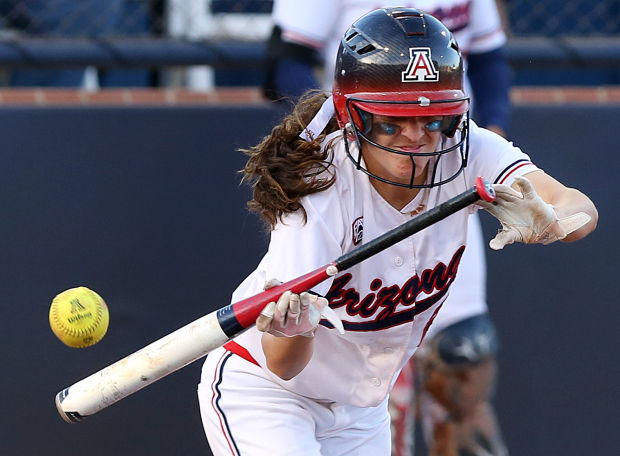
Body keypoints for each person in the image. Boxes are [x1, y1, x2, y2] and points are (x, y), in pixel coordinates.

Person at [198, 8, 597, 456]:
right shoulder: (319, 187)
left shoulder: (467, 147)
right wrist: (295, 328)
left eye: (432, 120)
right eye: (391, 121)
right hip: (269, 394)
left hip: (361, 411)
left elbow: (579, 206)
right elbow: (283, 365)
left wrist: (553, 221)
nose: (415, 139)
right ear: (352, 116)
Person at [263, 1, 512, 454]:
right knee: (371, 348)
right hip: (366, 172)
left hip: (447, 169)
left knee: (466, 352)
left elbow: (491, 59)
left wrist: (486, 152)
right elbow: (285, 61)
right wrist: (334, 145)